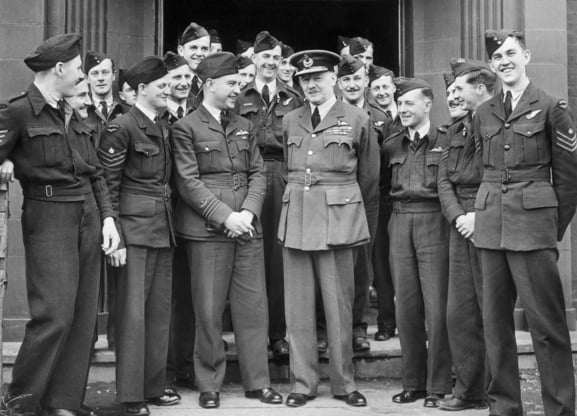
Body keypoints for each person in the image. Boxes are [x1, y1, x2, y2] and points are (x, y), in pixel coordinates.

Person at [0, 33, 120, 416]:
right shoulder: (17, 112)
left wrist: (109, 219)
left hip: (87, 214)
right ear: (60, 68)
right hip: (48, 215)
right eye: (80, 68)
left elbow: (95, 172)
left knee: (84, 316)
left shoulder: (75, 112)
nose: (82, 75)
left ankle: (63, 402)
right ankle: (23, 401)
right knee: (54, 313)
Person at [473, 29, 577, 416]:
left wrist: (550, 228)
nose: (505, 61)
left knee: (547, 327)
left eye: (511, 53)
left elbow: (568, 180)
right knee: (495, 326)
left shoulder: (552, 106)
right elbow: (478, 169)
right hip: (490, 228)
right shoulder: (484, 111)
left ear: (527, 56)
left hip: (533, 228)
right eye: (497, 57)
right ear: (491, 66)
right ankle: (503, 407)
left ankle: (561, 409)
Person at [171, 52, 283, 409]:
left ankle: (257, 381)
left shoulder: (245, 126)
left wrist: (248, 213)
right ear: (209, 85)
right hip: (208, 231)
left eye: (239, 82)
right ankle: (209, 383)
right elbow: (188, 183)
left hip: (247, 228)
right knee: (208, 308)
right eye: (232, 83)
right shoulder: (185, 128)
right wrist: (225, 217)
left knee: (253, 308)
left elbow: (258, 173)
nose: (239, 89)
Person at [279, 49, 379, 408]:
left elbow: (369, 180)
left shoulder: (357, 118)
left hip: (339, 220)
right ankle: (302, 383)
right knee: (298, 307)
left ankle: (344, 382)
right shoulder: (291, 119)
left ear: (334, 78)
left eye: (317, 78)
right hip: (298, 219)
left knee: (339, 307)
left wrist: (350, 215)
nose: (311, 85)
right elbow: (287, 170)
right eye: (305, 80)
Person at [98, 56, 180, 416]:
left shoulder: (163, 125)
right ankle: (131, 395)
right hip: (132, 229)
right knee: (132, 315)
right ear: (141, 90)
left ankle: (153, 385)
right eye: (161, 86)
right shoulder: (121, 127)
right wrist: (113, 228)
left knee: (158, 314)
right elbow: (107, 185)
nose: (168, 90)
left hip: (163, 227)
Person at [382, 77, 451, 408]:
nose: (403, 109)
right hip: (400, 222)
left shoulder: (447, 141)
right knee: (406, 307)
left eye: (410, 102)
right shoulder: (391, 145)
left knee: (436, 307)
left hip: (434, 221)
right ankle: (413, 383)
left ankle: (438, 385)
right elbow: (381, 187)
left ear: (428, 104)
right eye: (400, 103)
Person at [235, 31, 303, 360]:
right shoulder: (241, 95)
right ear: (254, 60)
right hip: (249, 175)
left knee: (277, 260)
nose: (271, 62)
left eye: (276, 57)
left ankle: (277, 334)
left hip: (281, 174)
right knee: (249, 258)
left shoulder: (293, 97)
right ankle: (251, 335)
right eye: (265, 57)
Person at [436, 58, 496, 412]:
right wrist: (460, 216)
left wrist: (478, 217)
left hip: (489, 221)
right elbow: (444, 180)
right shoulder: (453, 132)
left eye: (457, 89)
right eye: (449, 92)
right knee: (459, 314)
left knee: (492, 311)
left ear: (482, 88)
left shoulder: (498, 125)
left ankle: (497, 391)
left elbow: (499, 173)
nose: (452, 96)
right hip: (460, 225)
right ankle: (469, 391)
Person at [336, 55, 386, 352]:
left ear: (366, 81)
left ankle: (358, 328)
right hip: (334, 199)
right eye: (346, 80)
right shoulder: (331, 114)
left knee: (361, 267)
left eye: (357, 79)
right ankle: (327, 328)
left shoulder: (381, 117)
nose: (352, 84)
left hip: (368, 199)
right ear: (338, 83)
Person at [367, 64, 398, 341]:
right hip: (380, 195)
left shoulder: (408, 113)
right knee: (381, 262)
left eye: (386, 87)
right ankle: (386, 322)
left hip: (404, 198)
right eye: (376, 88)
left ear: (394, 89)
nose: (381, 92)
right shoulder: (368, 118)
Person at [178, 22, 210, 99]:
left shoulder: (213, 83)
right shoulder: (171, 83)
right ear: (181, 50)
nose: (199, 53)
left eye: (204, 49)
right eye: (193, 48)